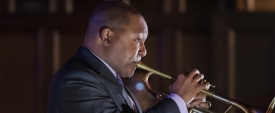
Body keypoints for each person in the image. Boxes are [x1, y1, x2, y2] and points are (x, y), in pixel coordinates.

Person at [47, 1, 211, 113]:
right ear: (107, 37)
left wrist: (182, 106)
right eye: (137, 40)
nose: (144, 51)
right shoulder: (75, 81)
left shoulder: (108, 78)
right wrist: (178, 100)